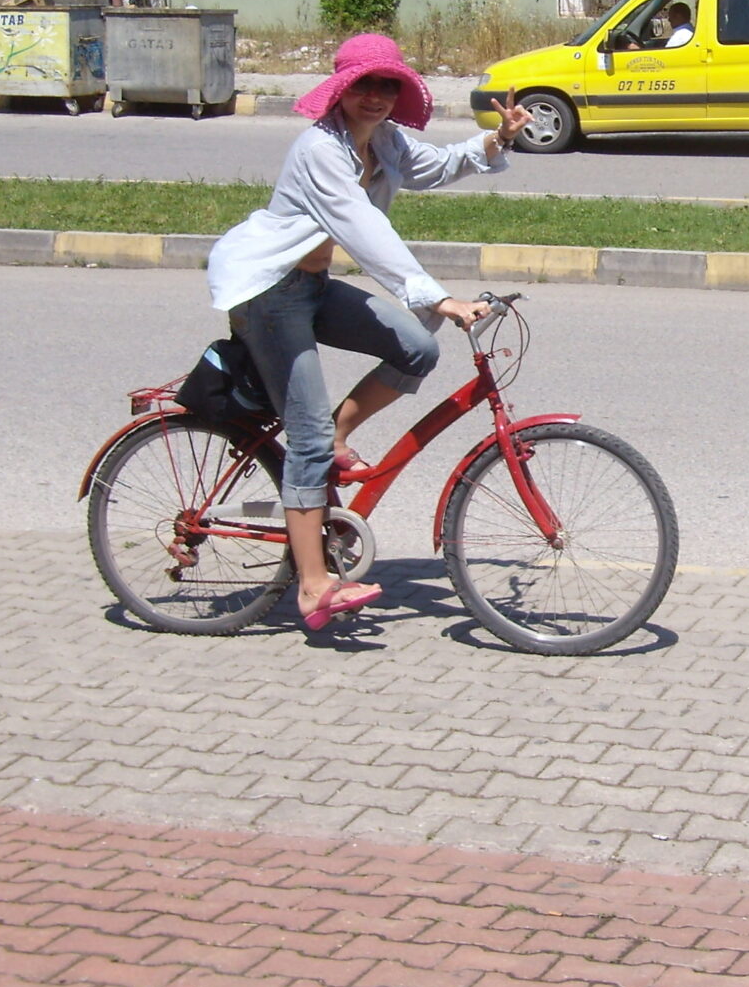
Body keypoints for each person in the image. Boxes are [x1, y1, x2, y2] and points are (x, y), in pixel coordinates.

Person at [205, 33, 532, 632]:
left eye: (388, 86)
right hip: (269, 292)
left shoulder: (382, 141)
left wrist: (499, 138)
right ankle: (312, 586)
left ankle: (335, 435)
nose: (377, 97)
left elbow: (435, 166)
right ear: (341, 90)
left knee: (416, 346)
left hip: (309, 289)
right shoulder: (319, 150)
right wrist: (436, 295)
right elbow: (361, 229)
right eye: (365, 85)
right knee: (303, 438)